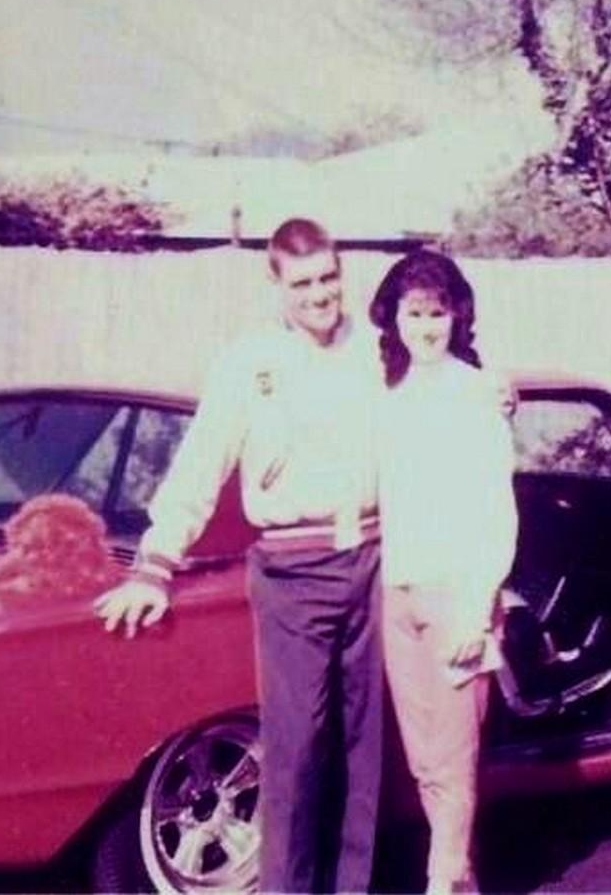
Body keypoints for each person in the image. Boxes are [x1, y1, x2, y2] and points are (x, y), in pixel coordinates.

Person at [94, 217, 384, 894]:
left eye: (329, 278)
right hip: (291, 572)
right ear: (278, 287)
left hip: (373, 562)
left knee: (363, 748)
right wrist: (154, 564)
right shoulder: (248, 365)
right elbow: (200, 464)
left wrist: (494, 392)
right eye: (304, 283)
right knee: (297, 749)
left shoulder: (376, 351)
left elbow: (440, 390)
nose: (320, 294)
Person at [367, 250, 517, 895]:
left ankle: (439, 882)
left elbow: (496, 510)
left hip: (459, 597)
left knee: (455, 760)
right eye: (414, 313)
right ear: (394, 317)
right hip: (395, 594)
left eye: (438, 312)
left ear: (457, 315)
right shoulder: (383, 390)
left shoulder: (477, 392)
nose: (427, 326)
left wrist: (477, 610)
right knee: (425, 758)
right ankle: (461, 880)